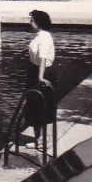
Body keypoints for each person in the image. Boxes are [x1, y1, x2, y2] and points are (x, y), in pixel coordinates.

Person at [24, 9, 57, 149]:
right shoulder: (40, 36)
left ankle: (43, 141)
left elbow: (43, 58)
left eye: (32, 20)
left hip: (41, 72)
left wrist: (40, 77)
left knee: (42, 107)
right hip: (35, 70)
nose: (30, 23)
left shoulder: (44, 38)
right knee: (33, 106)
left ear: (38, 22)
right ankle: (39, 139)